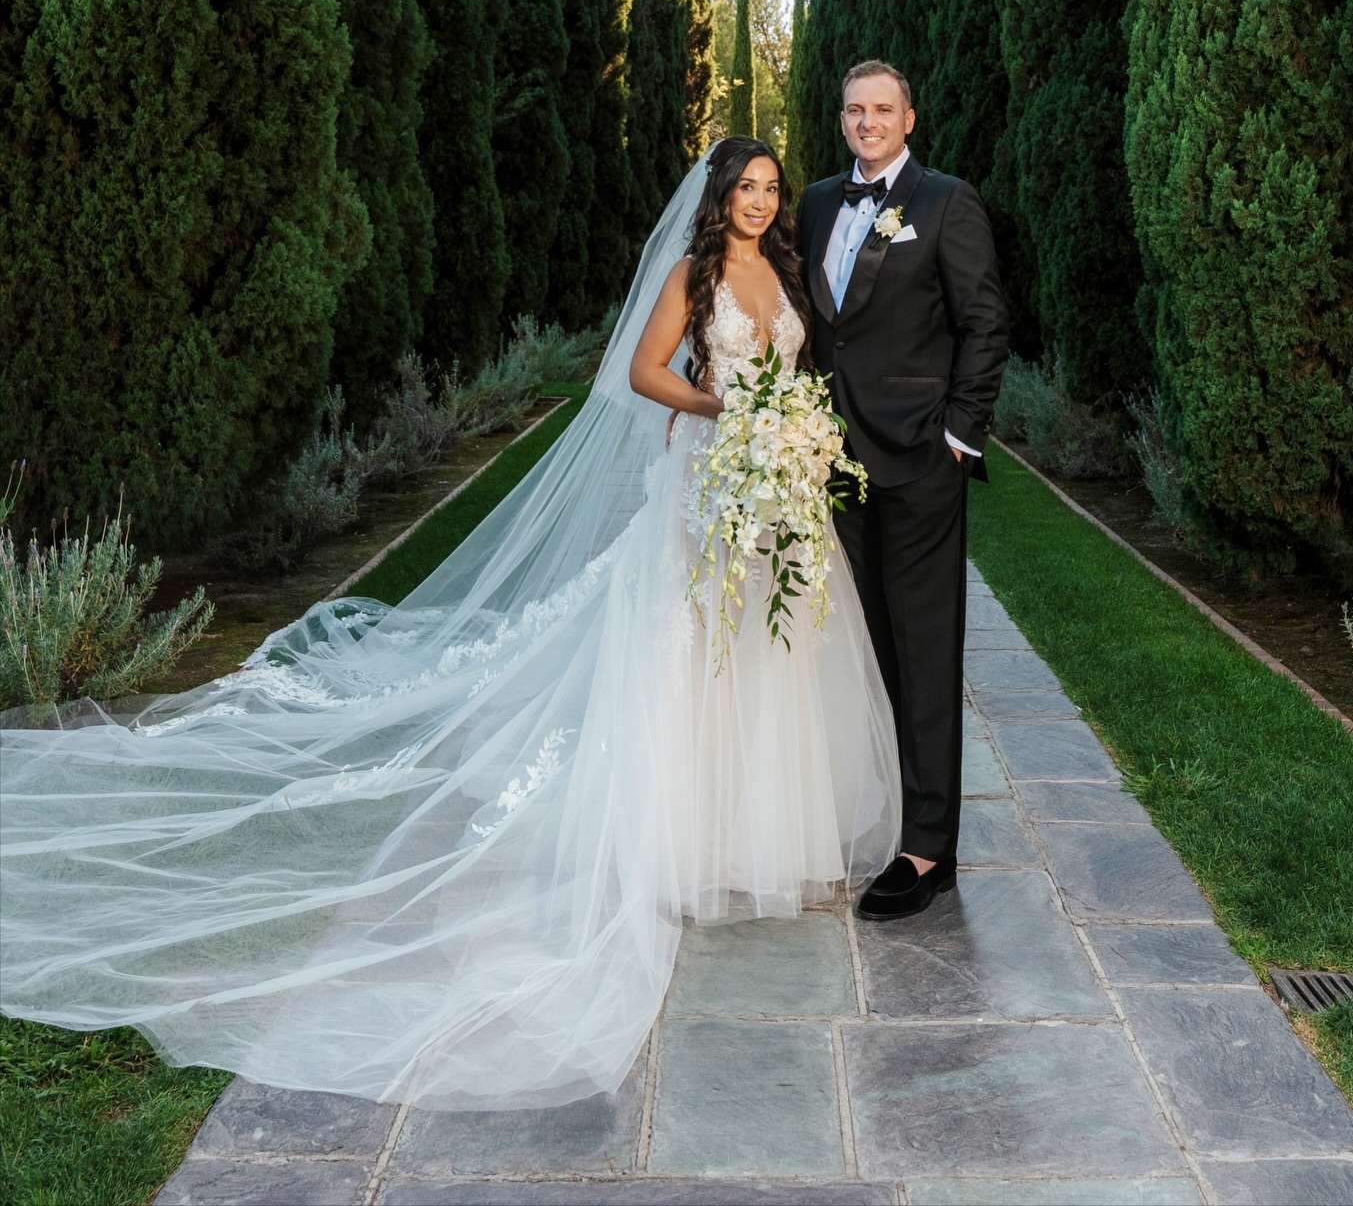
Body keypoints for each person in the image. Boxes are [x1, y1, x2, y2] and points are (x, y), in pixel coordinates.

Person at [0, 139, 898, 1110]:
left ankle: (768, 836)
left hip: (778, 492)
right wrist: (719, 406)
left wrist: (793, 433)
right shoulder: (694, 273)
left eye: (770, 188)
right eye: (746, 187)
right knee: (696, 653)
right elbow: (644, 372)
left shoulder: (786, 274)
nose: (760, 201)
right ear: (720, 195)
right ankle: (688, 841)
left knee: (773, 649)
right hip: (708, 481)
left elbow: (802, 374)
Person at [798, 61, 1009, 921]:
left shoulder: (947, 202)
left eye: (882, 109)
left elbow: (984, 323)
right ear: (842, 118)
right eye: (855, 110)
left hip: (921, 460)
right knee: (859, 647)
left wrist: (958, 437)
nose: (868, 122)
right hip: (830, 463)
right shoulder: (816, 203)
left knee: (924, 652)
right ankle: (877, 810)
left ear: (908, 118)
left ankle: (928, 849)